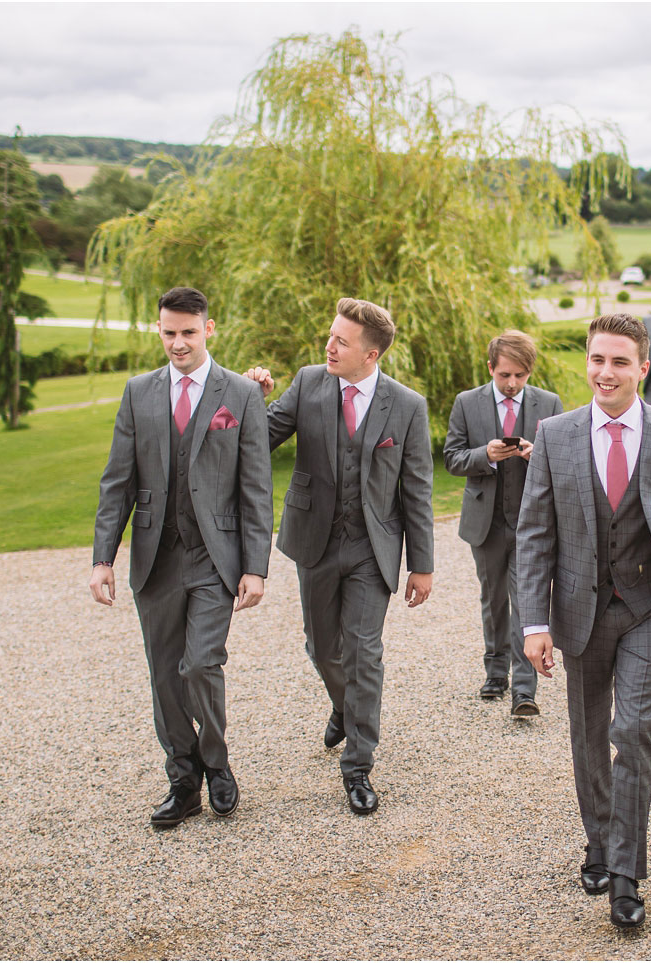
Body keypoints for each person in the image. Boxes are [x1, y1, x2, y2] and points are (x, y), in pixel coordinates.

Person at [516, 313, 651, 930]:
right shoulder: (554, 434)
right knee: (586, 735)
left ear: (644, 367)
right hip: (577, 609)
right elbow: (534, 533)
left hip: (650, 608)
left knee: (633, 730)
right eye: (598, 360)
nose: (606, 373)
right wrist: (532, 624)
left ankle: (626, 875)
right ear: (587, 362)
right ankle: (598, 842)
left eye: (620, 362)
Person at [89, 287, 273, 830]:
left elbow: (256, 487)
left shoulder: (240, 394)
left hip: (215, 557)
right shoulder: (137, 393)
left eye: (188, 332)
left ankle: (216, 764)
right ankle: (182, 780)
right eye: (168, 332)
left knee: (200, 664)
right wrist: (103, 558)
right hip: (154, 559)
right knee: (165, 676)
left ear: (208, 329)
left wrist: (255, 566)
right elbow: (117, 480)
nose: (177, 343)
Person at [243, 297, 434, 816]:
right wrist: (247, 398)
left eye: (341, 341)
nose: (328, 346)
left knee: (363, 649)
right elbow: (258, 439)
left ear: (370, 355)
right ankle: (343, 705)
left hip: (374, 547)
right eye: (330, 336)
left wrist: (422, 564)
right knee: (322, 646)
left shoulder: (408, 406)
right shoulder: (308, 383)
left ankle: (358, 766)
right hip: (316, 540)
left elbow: (416, 489)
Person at [443, 330, 563, 716]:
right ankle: (495, 673)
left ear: (530, 372)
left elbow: (564, 461)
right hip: (486, 523)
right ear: (491, 367)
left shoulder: (550, 403)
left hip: (533, 523)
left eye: (520, 376)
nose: (512, 384)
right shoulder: (466, 403)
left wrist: (535, 456)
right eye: (505, 375)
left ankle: (524, 690)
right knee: (493, 600)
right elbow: (451, 458)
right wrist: (486, 455)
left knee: (528, 601)